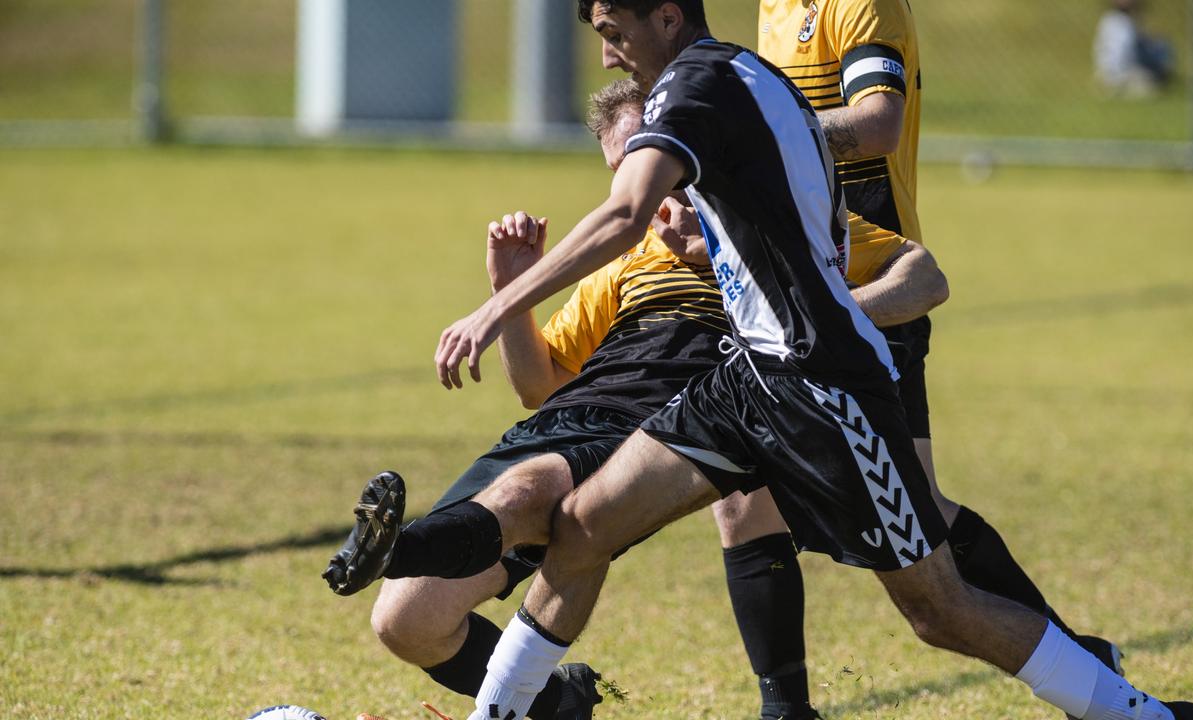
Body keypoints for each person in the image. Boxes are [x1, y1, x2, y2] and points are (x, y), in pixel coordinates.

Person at [427, 3, 1193, 720]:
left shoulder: (693, 86)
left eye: (612, 31)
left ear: (668, 18)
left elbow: (626, 213)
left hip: (823, 384)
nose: (607, 55)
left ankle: (1141, 716)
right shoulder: (741, 69)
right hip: (746, 380)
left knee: (940, 610)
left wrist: (496, 308)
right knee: (582, 526)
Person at [323, 78, 948, 720]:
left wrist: (816, 321)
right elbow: (540, 387)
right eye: (622, 177)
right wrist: (514, 294)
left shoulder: (782, 230)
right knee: (407, 620)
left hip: (662, 431)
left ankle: (400, 545)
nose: (642, 198)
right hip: (569, 421)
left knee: (539, 491)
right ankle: (557, 702)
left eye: (652, 173)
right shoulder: (629, 261)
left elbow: (924, 277)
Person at [729, 2, 1129, 715]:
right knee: (743, 499)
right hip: (789, 289)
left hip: (873, 293)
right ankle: (784, 708)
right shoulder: (774, 5)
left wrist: (761, 134)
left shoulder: (862, 4)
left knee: (925, 529)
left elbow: (879, 122)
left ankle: (1083, 668)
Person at [1094, 0, 1175, 98]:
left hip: (1108, 71)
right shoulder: (1123, 22)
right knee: (1160, 48)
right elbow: (1127, 52)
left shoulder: (1109, 19)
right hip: (1122, 72)